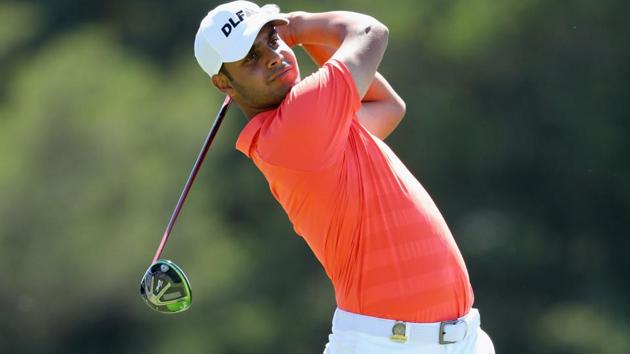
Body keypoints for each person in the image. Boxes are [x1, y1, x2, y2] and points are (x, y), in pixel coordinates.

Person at [194, 1, 495, 353]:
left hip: (460, 339)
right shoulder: (298, 125)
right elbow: (370, 32)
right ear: (224, 84)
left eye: (272, 39)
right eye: (250, 58)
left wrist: (302, 42)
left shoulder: (312, 130)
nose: (273, 57)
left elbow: (386, 107)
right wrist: (300, 28)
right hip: (389, 345)